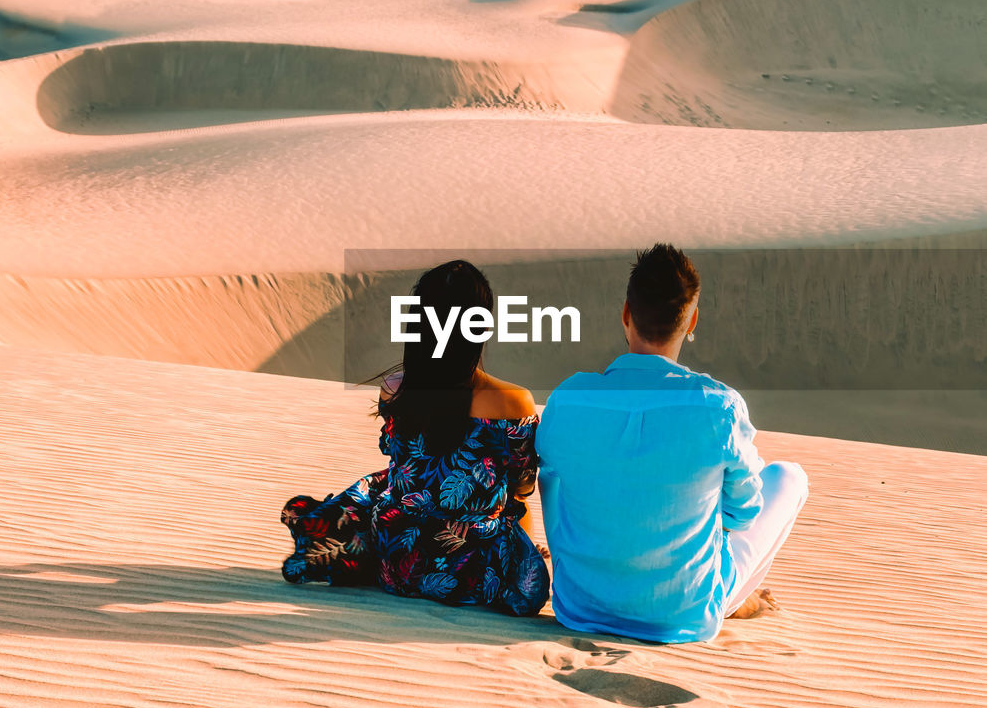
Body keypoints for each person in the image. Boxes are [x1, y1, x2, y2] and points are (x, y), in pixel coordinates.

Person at [536, 244, 808, 644]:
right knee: (789, 476)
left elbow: (551, 484)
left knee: (555, 477)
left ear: (626, 314)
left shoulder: (568, 399)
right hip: (683, 613)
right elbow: (746, 512)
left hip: (580, 605)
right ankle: (733, 597)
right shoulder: (719, 408)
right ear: (692, 320)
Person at [280, 259, 550, 618]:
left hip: (398, 560)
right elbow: (522, 486)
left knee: (384, 486)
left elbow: (398, 457)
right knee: (515, 506)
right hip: (465, 567)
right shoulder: (512, 401)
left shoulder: (395, 390)